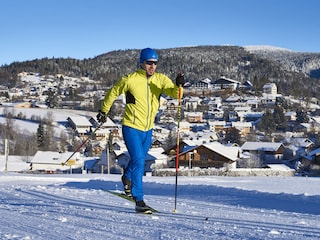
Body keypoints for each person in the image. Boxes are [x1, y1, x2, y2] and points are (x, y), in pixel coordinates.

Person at [96, 48, 185, 213]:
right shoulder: (130, 79)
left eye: (155, 63)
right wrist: (104, 111)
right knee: (138, 159)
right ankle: (139, 199)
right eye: (149, 63)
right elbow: (113, 92)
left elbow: (175, 94)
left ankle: (127, 177)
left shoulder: (160, 80)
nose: (152, 66)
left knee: (140, 159)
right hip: (131, 127)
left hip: (148, 128)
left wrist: (179, 85)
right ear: (142, 63)